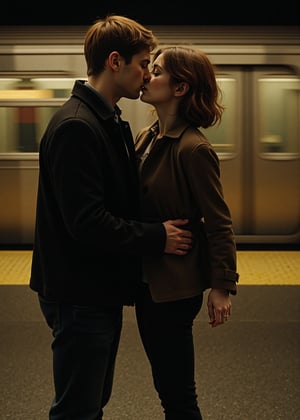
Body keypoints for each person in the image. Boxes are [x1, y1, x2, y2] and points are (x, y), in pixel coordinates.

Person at [29, 17, 193, 420]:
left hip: (94, 289)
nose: (146, 74)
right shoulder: (77, 127)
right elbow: (86, 221)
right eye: (142, 63)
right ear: (115, 62)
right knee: (78, 409)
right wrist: (157, 238)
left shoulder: (107, 121)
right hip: (79, 293)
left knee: (91, 402)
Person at [134, 46, 239, 420]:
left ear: (180, 88)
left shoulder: (193, 149)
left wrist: (222, 285)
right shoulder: (148, 137)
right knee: (168, 388)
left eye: (157, 71)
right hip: (150, 283)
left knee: (178, 395)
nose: (147, 75)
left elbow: (218, 220)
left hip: (174, 288)